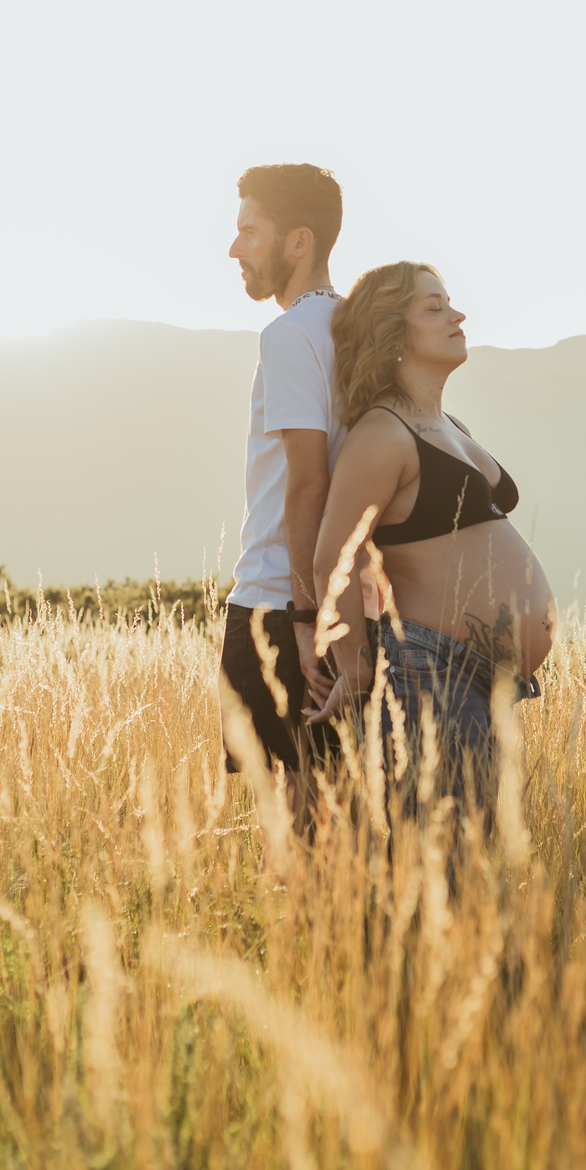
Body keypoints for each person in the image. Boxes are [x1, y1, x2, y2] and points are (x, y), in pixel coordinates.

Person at [307, 261, 555, 811]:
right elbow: (333, 556)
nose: (456, 315)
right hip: (435, 676)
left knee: (465, 869)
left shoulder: (451, 425)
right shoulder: (380, 434)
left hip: (483, 683)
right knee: (440, 868)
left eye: (450, 303)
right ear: (392, 333)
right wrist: (352, 666)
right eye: (434, 307)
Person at [221, 164, 344, 794]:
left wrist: (303, 621)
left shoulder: (291, 336)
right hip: (333, 602)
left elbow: (309, 484)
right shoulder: (352, 328)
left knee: (295, 828)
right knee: (329, 812)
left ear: (299, 241)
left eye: (250, 231)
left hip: (278, 601)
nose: (235, 248)